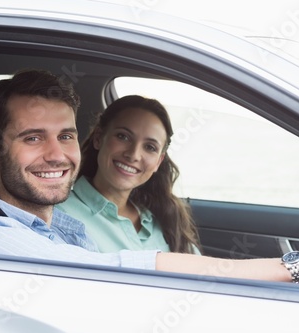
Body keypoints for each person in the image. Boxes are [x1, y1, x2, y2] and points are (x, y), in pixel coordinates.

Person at [0, 69, 299, 285]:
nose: (56, 154)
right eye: (32, 138)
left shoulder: (58, 224)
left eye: (65, 135)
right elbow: (117, 270)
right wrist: (297, 268)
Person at [57, 95, 201, 254]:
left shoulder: (164, 218)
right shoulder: (60, 213)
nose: (133, 154)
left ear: (158, 162)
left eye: (150, 147)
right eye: (123, 137)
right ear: (98, 138)